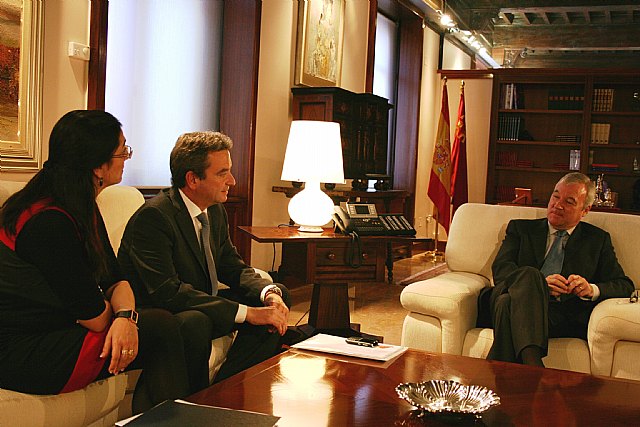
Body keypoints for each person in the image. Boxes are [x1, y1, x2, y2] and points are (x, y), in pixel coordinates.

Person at [0, 110, 192, 413]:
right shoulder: (48, 220)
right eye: (122, 151)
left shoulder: (80, 204)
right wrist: (120, 318)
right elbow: (94, 317)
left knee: (178, 324)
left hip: (60, 329)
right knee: (160, 327)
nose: (127, 157)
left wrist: (126, 317)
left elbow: (116, 280)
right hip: (24, 351)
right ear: (97, 165)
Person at [118, 131, 290, 388]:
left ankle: (226, 387)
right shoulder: (154, 218)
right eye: (222, 173)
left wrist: (268, 293)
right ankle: (198, 399)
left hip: (201, 304)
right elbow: (169, 293)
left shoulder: (215, 210)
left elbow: (231, 266)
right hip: (164, 314)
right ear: (193, 179)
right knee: (197, 321)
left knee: (278, 296)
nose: (232, 180)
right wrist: (247, 314)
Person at [483, 172, 634, 366]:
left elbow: (624, 285)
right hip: (508, 297)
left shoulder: (597, 240)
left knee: (506, 304)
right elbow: (501, 269)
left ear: (585, 210)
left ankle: (516, 371)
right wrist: (539, 285)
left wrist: (591, 289)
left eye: (569, 201)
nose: (558, 205)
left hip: (557, 314)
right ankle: (534, 367)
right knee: (529, 275)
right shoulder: (520, 229)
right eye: (555, 196)